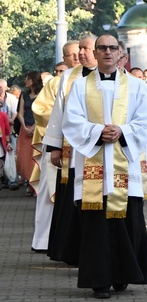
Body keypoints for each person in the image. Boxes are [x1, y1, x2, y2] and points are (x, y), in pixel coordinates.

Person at [61, 34, 147, 299]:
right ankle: (99, 281)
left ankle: (124, 276)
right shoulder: (80, 87)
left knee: (128, 221)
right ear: (96, 52)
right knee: (95, 226)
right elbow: (70, 121)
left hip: (125, 166)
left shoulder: (138, 88)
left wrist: (123, 131)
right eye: (102, 48)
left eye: (112, 48)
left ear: (120, 54)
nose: (107, 52)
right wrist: (97, 132)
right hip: (93, 165)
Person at [43, 33, 97, 265]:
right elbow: (59, 112)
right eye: (78, 51)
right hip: (73, 151)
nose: (80, 54)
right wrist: (55, 147)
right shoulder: (69, 77)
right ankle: (70, 250)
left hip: (102, 151)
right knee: (71, 198)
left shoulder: (114, 78)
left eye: (84, 49)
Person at [16, 71, 43, 187]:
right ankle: (30, 183)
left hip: (38, 128)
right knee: (25, 156)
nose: (25, 81)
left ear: (32, 80)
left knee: (36, 155)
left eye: (27, 79)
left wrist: (33, 127)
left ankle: (37, 183)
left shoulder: (42, 94)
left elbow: (43, 113)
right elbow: (20, 113)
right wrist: (24, 127)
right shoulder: (24, 95)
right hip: (25, 128)